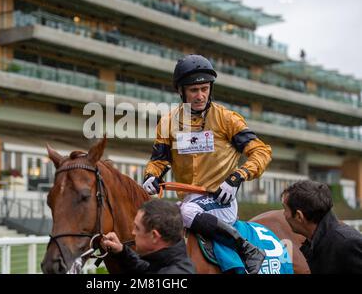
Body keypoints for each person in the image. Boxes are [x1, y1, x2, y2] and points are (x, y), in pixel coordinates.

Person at [142, 54, 272, 274]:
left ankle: (247, 248)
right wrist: (151, 176)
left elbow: (261, 151)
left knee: (183, 212)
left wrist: (237, 177)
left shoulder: (228, 119)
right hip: (190, 202)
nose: (200, 95)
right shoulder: (167, 122)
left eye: (204, 89)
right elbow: (159, 160)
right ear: (181, 91)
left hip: (221, 201)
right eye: (194, 90)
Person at [281, 180, 362, 274]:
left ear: (299, 216)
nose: (284, 214)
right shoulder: (317, 242)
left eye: (285, 209)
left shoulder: (348, 243)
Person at [101, 199, 195, 274]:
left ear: (154, 236)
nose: (133, 232)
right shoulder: (167, 263)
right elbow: (145, 269)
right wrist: (121, 252)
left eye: (137, 228)